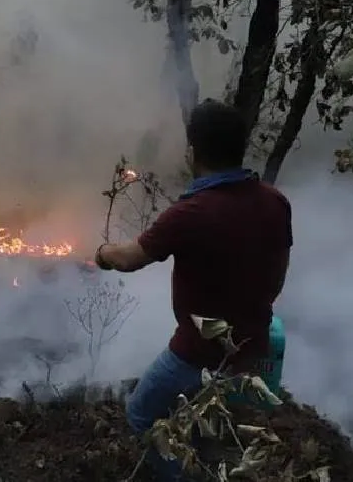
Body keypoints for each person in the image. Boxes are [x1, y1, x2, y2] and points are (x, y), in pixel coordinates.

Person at [93, 101, 293, 481]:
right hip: (251, 346)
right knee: (202, 421)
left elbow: (130, 258)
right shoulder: (274, 202)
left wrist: (102, 253)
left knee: (141, 415)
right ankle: (204, 461)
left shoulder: (191, 213)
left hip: (197, 352)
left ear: (193, 152)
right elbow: (278, 278)